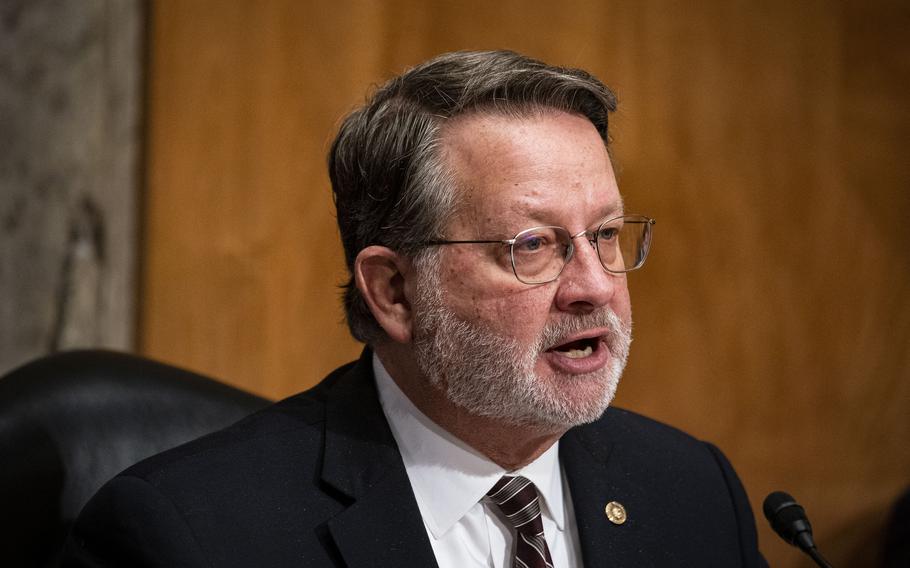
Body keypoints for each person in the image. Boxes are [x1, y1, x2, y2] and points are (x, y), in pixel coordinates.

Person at [63, 50, 766, 567]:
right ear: (395, 292)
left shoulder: (694, 493)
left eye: (606, 235)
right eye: (533, 246)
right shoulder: (191, 537)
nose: (595, 286)